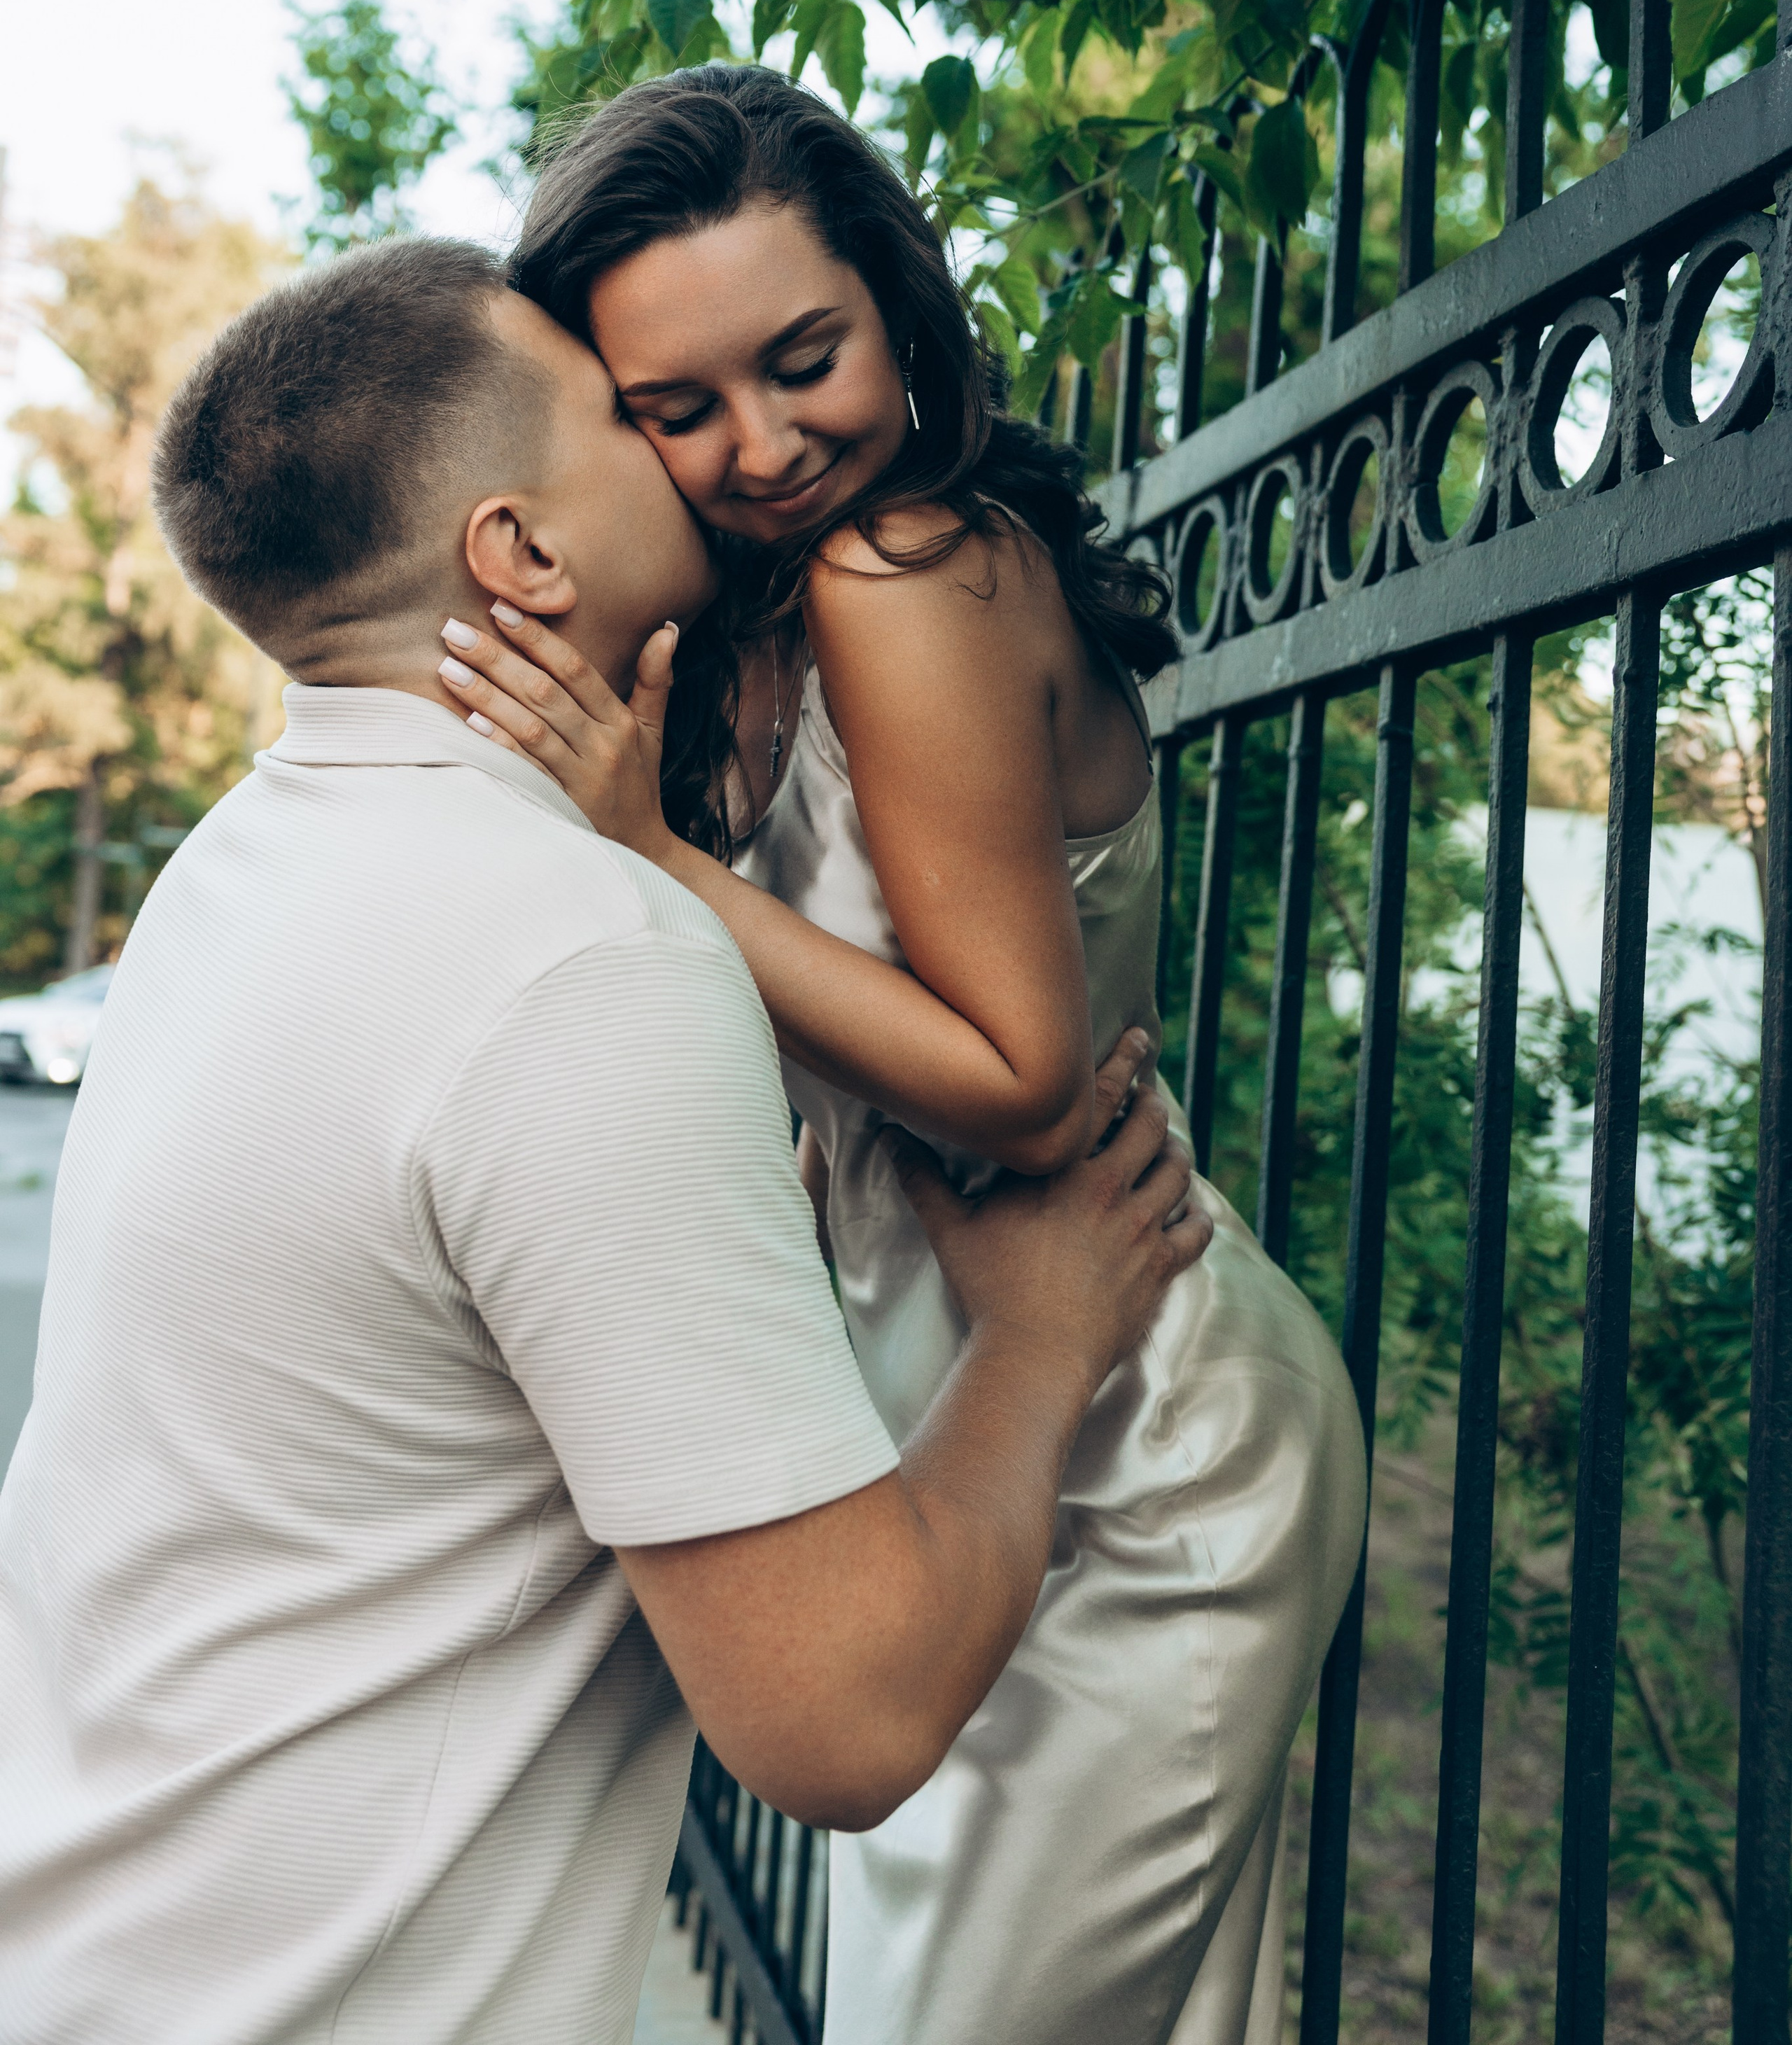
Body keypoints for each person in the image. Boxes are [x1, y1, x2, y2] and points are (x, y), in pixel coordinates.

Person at [0, 236, 1210, 2045]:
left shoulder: (234, 876)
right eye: (617, 411)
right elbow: (843, 1716)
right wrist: (1044, 1339)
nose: (700, 451)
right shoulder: (583, 958)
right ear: (521, 551)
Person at [435, 67, 1370, 2045]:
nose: (765, 446)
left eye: (805, 360)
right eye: (676, 409)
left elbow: (1026, 1073)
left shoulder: (906, 571)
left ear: (901, 309)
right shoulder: (765, 616)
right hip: (964, 1465)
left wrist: (655, 862)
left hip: (1133, 1458)